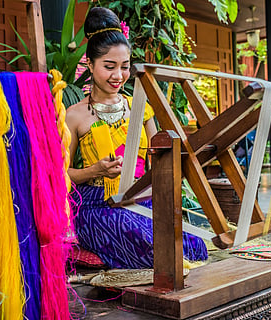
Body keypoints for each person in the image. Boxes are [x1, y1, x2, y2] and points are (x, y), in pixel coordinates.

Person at [66, 7, 208, 269]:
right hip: (98, 207)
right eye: (109, 66)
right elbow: (61, 175)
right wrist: (94, 170)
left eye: (124, 67)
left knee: (194, 242)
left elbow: (159, 159)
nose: (118, 76)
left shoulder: (139, 107)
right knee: (154, 243)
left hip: (141, 200)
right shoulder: (73, 116)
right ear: (90, 64)